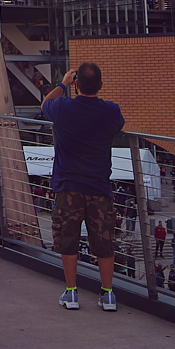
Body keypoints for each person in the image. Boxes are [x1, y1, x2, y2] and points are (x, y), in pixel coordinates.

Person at [42, 61, 125, 312]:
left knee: (68, 239)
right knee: (104, 241)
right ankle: (108, 294)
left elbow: (45, 104)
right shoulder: (111, 111)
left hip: (68, 185)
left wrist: (62, 84)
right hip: (99, 185)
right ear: (100, 85)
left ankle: (71, 292)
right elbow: (118, 124)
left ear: (76, 84)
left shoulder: (63, 107)